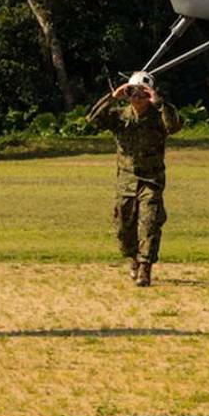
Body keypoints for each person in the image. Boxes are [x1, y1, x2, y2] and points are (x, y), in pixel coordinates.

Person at [86, 71, 182, 287]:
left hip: (151, 181)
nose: (137, 98)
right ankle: (133, 259)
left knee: (149, 224)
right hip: (126, 182)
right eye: (133, 93)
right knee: (123, 227)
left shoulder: (159, 117)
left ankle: (145, 267)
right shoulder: (120, 116)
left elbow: (174, 126)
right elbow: (93, 120)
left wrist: (159, 102)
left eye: (142, 94)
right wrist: (112, 96)